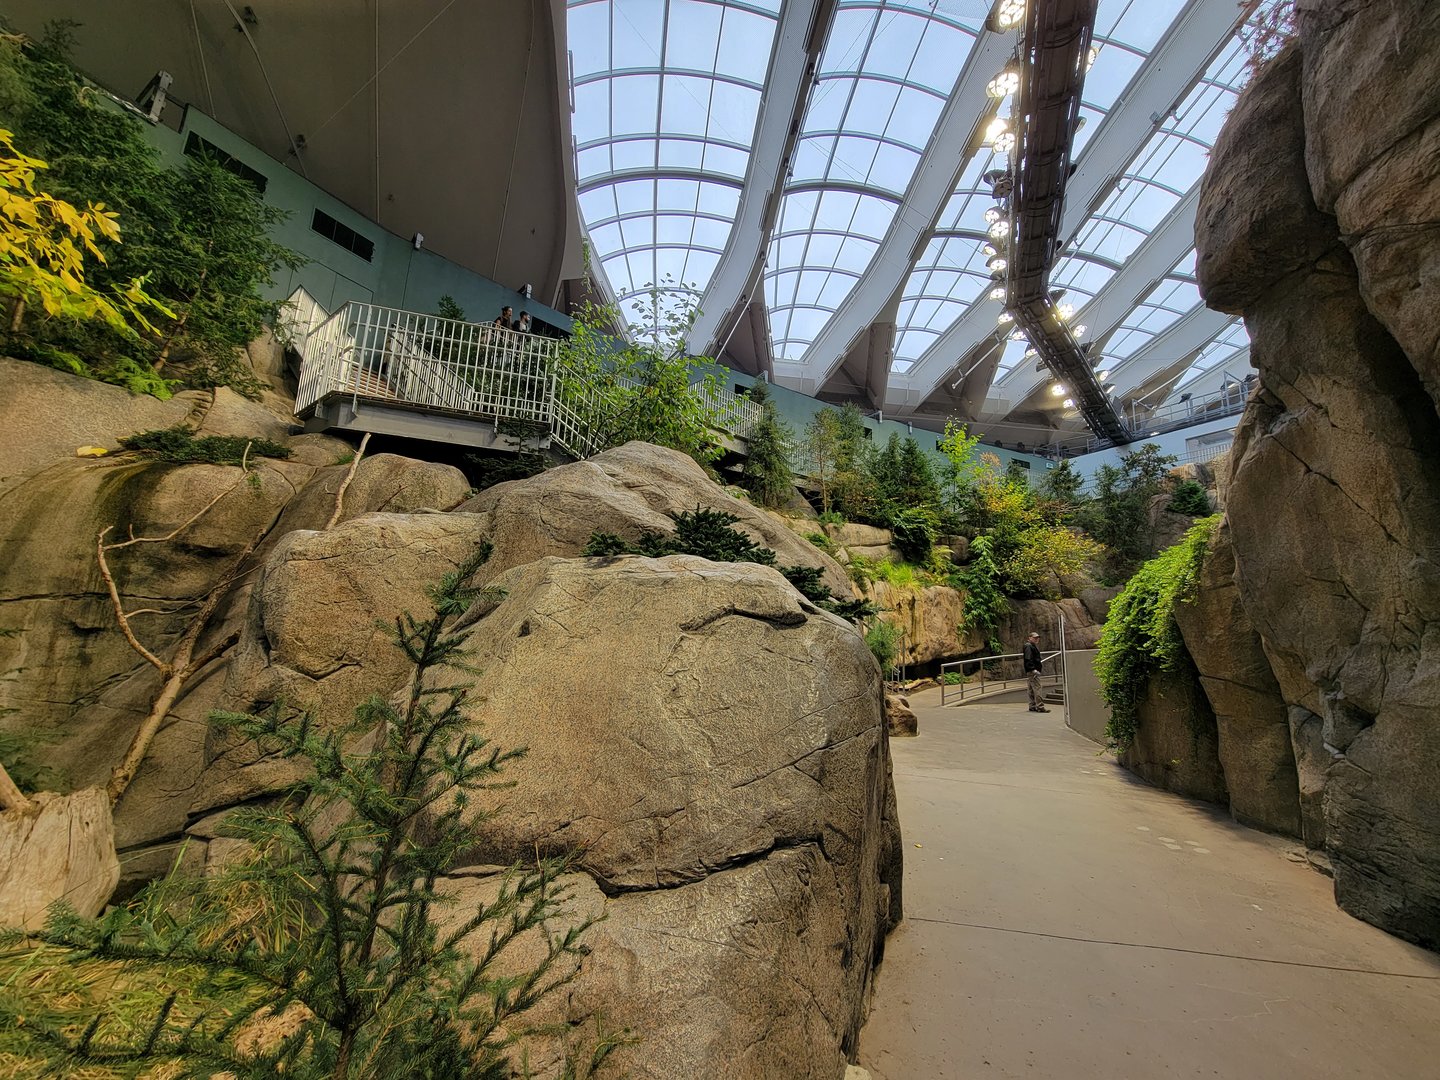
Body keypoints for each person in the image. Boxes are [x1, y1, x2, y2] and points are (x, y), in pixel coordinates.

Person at [1023, 631, 1047, 713]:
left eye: (1037, 637)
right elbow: (1028, 659)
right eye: (1035, 637)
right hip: (1032, 671)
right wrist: (1033, 669)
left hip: (1030, 670)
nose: (1037, 639)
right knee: (1037, 687)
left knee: (1030, 688)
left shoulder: (1031, 646)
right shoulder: (1029, 646)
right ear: (1029, 638)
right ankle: (1040, 706)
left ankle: (1032, 705)